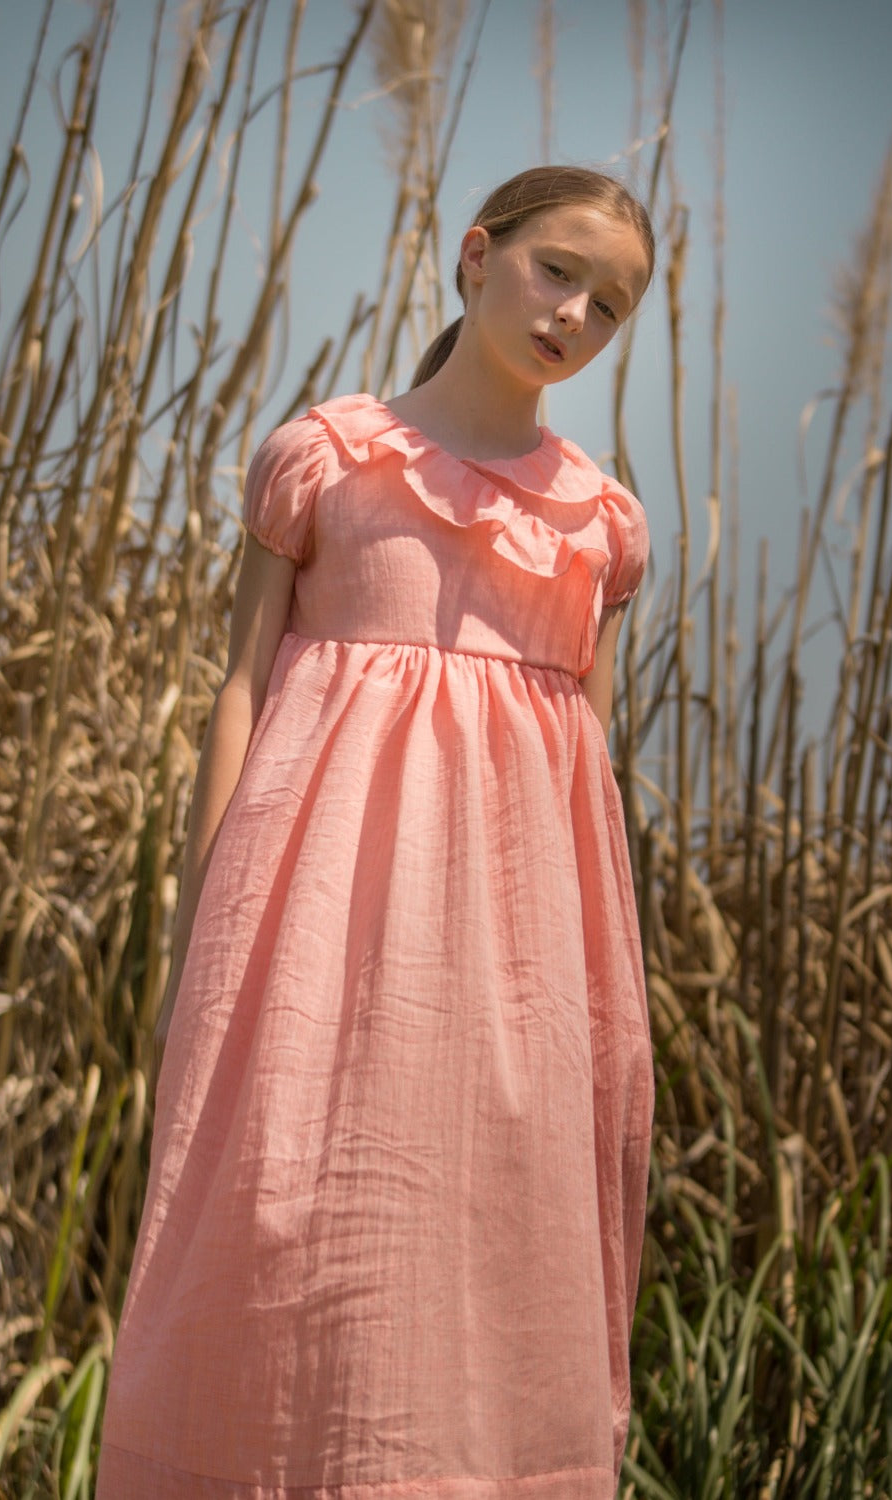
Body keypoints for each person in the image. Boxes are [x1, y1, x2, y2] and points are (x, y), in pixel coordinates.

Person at [96, 164, 656, 1500]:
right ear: (477, 256)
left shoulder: (601, 526)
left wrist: (594, 994)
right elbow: (242, 686)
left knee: (487, 1232)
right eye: (557, 270)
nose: (575, 313)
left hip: (513, 959)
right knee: (287, 1214)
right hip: (315, 917)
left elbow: (591, 769)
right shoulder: (331, 459)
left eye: (612, 304)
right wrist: (205, 915)